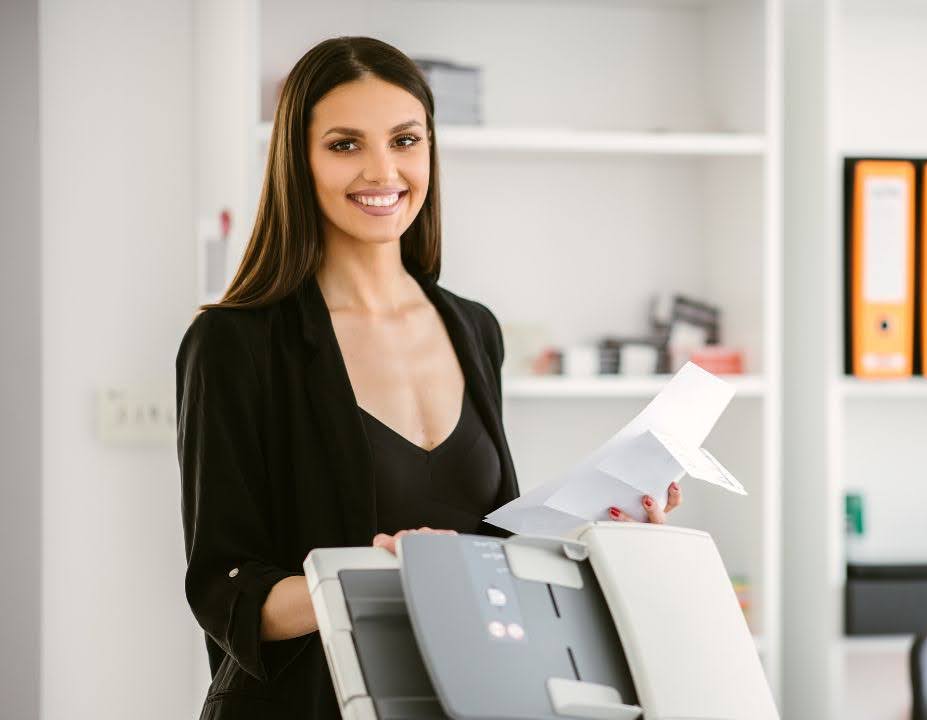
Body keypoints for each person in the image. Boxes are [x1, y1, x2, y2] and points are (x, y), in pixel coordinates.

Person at [176, 36, 681, 720]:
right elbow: (225, 592)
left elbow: (488, 551)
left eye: (405, 140)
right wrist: (376, 579)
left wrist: (607, 521)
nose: (383, 171)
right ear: (299, 159)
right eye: (345, 144)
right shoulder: (235, 343)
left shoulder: (475, 330)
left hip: (456, 699)